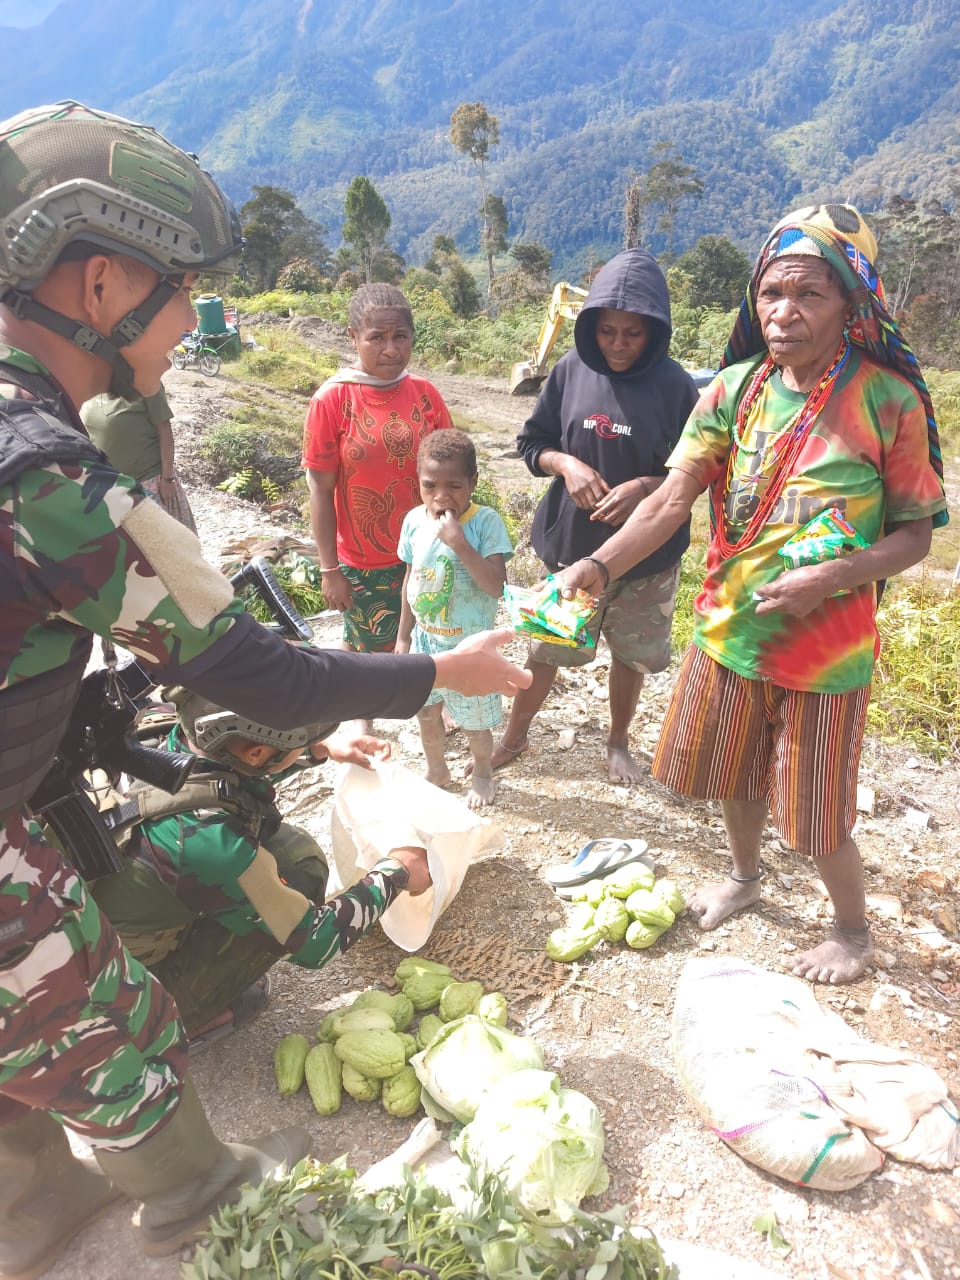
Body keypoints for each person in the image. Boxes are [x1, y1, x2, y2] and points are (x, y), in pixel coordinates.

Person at [0, 100, 529, 1275]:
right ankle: (205, 1201)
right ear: (98, 288)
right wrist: (442, 668)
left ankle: (32, 1203)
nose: (193, 317)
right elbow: (256, 671)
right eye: (179, 286)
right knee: (93, 1012)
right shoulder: (47, 472)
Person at [557, 204, 948, 985]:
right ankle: (742, 877)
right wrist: (596, 568)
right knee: (734, 776)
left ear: (850, 305)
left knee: (815, 808)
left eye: (809, 295)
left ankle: (852, 931)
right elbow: (670, 501)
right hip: (729, 635)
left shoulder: (887, 403)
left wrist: (831, 578)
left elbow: (916, 536)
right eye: (771, 293)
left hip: (824, 653)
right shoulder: (733, 390)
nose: (784, 312)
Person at [91, 695, 431, 1045]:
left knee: (289, 855)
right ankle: (168, 1025)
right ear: (256, 753)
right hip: (113, 997)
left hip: (94, 933)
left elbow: (223, 776)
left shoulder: (160, 726)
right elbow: (314, 944)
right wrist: (396, 872)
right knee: (300, 869)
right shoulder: (208, 844)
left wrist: (318, 749)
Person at [490, 250, 698, 784]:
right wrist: (567, 464)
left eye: (633, 333)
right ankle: (515, 735)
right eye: (607, 331)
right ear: (591, 326)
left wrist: (645, 488)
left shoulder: (678, 388)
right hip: (572, 548)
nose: (619, 344)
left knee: (630, 657)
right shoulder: (570, 370)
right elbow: (531, 443)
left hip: (648, 557)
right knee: (546, 647)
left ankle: (618, 742)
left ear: (655, 331)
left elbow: (697, 471)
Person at [301, 284, 453, 671]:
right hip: (365, 557)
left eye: (401, 337)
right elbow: (320, 490)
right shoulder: (332, 401)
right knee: (367, 639)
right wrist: (329, 569)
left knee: (429, 634)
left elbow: (453, 475)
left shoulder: (425, 395)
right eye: (377, 338)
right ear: (354, 337)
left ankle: (431, 707)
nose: (391, 349)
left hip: (427, 548)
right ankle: (358, 717)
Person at [396, 430, 514, 808]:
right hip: (425, 645)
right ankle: (437, 770)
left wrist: (459, 542)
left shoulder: (485, 524)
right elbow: (410, 579)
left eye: (455, 486)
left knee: (475, 724)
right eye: (430, 486)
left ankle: (482, 772)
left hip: (470, 649)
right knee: (427, 714)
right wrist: (403, 637)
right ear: (418, 482)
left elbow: (496, 587)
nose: (442, 497)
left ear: (473, 483)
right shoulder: (414, 520)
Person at [81, 381, 197, 531]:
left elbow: (165, 430)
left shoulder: (145, 384)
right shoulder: (91, 388)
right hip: (109, 486)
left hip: (149, 483)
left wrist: (168, 479)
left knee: (163, 543)